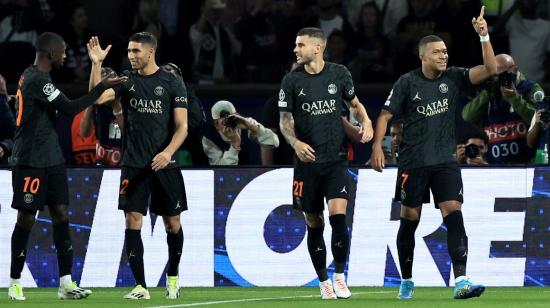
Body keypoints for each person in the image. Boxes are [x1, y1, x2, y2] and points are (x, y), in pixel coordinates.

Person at [370, 7, 497, 300]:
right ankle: (407, 279)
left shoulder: (453, 77)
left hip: (445, 162)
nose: (444, 55)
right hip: (413, 163)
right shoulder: (407, 82)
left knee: (454, 213)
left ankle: (461, 280)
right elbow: (386, 115)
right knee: (409, 221)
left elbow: (491, 69)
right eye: (437, 52)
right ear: (423, 56)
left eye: (445, 51)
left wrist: (484, 36)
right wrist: (377, 145)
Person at [7, 31, 125, 301]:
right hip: (31, 160)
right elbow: (71, 108)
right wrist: (101, 87)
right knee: (26, 217)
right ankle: (15, 281)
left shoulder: (35, 76)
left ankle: (66, 283)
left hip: (52, 160)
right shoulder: (38, 80)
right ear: (50, 53)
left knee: (61, 215)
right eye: (62, 52)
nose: (65, 56)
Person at [87, 32, 188, 300]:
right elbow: (96, 98)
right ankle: (141, 286)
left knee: (172, 224)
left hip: (165, 164)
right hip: (133, 164)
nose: (131, 56)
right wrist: (96, 64)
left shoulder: (171, 82)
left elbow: (182, 127)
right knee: (133, 220)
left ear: (151, 52)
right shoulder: (126, 80)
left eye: (136, 51)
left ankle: (173, 276)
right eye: (129, 51)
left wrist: (167, 152)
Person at [278, 27, 373, 299]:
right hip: (306, 163)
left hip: (335, 160)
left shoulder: (339, 74)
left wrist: (365, 121)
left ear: (317, 48)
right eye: (295, 45)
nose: (295, 50)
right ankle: (323, 281)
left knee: (338, 217)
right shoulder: (291, 81)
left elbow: (354, 104)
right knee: (314, 221)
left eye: (300, 45)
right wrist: (295, 143)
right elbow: (284, 123)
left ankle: (340, 276)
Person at [462, 54, 540, 164]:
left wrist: (514, 98)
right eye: (495, 74)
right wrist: (488, 92)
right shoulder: (488, 91)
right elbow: (467, 116)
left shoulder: (529, 88)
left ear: (515, 70)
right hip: (495, 166)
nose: (500, 78)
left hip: (525, 164)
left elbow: (538, 119)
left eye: (504, 74)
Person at [202, 99, 279, 165]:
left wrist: (253, 127)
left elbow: (274, 142)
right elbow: (221, 170)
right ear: (216, 125)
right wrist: (235, 144)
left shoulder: (244, 123)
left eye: (230, 118)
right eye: (223, 122)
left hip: (249, 172)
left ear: (236, 115)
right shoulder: (209, 137)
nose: (228, 123)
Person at [80, 67, 123, 166]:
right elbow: (84, 133)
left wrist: (117, 106)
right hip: (102, 163)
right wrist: (91, 101)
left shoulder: (127, 102)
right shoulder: (98, 106)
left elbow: (129, 135)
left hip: (123, 163)